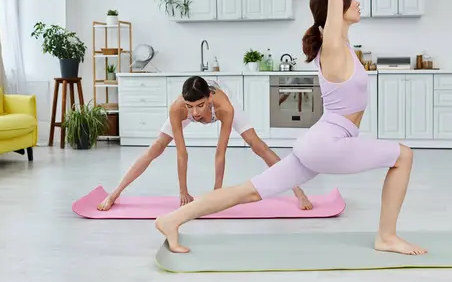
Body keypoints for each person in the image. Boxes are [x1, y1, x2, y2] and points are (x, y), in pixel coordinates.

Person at [155, 0, 427, 256]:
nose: (356, 2)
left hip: (319, 142)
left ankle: (173, 219)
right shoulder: (331, 46)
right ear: (337, 10)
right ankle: (387, 236)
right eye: (351, 0)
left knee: (250, 190)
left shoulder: (338, 43)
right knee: (403, 155)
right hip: (329, 143)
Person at [97, 75, 313, 211]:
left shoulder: (224, 107)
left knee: (258, 146)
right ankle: (114, 193)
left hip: (223, 106)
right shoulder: (178, 109)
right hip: (190, 107)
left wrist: (216, 194)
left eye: (200, 105)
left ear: (209, 97)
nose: (195, 113)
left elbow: (220, 153)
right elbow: (182, 153)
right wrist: (183, 191)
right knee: (156, 147)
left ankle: (298, 191)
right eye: (190, 106)